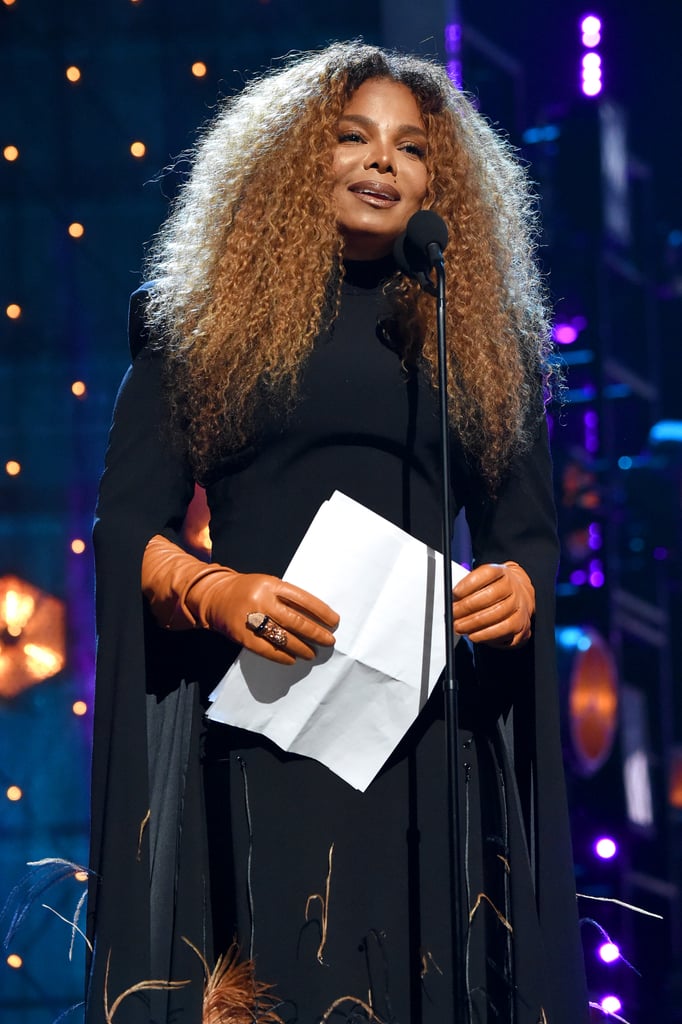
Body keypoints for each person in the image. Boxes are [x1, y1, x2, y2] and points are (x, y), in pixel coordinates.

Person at [86, 41, 589, 1024]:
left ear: (437, 182)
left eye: (408, 148)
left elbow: (526, 534)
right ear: (293, 159)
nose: (379, 162)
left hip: (429, 730)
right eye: (351, 137)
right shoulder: (199, 324)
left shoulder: (474, 335)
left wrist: (521, 588)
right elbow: (127, 528)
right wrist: (218, 591)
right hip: (272, 718)